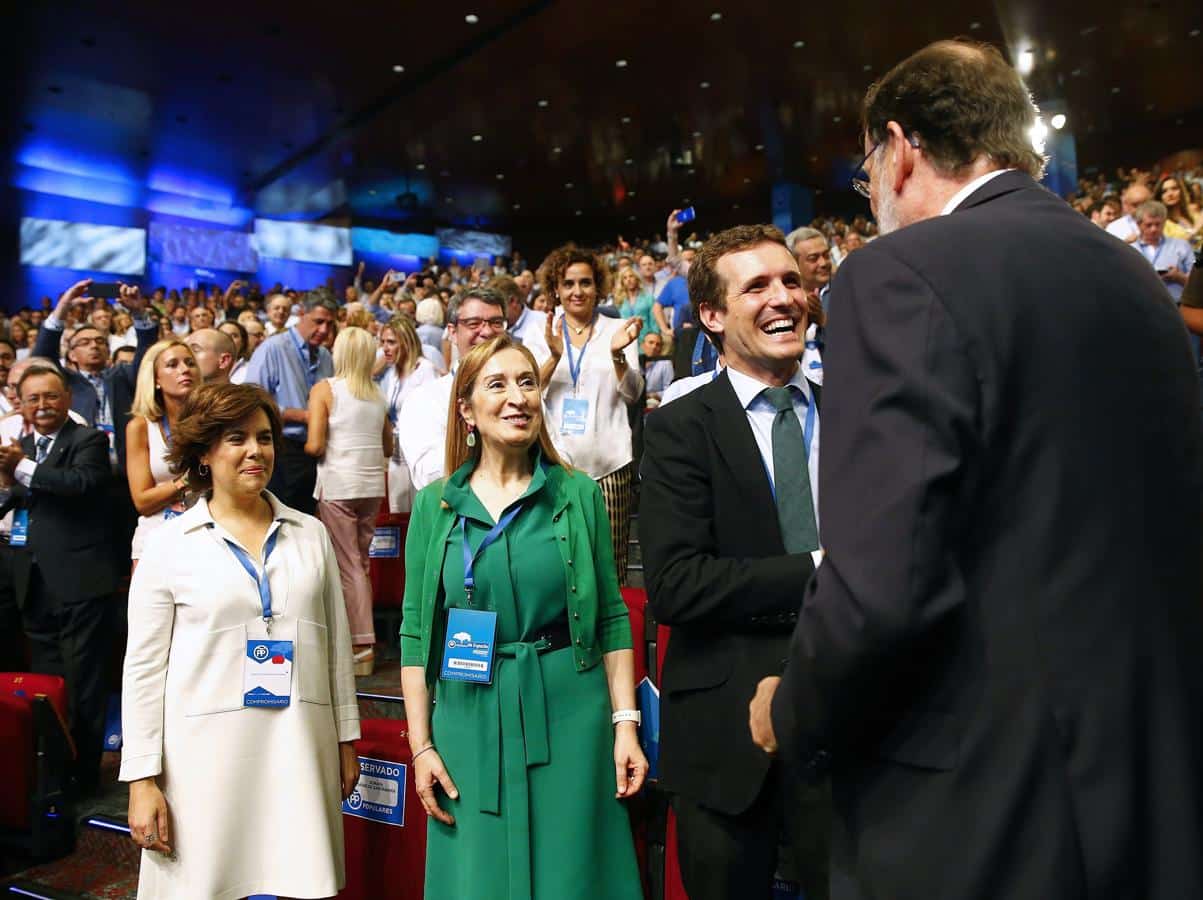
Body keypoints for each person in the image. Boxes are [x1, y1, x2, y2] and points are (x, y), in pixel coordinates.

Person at [751, 39, 1203, 899]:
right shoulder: (1137, 281)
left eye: (867, 173)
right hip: (1141, 776)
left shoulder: (897, 273)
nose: (873, 194)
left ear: (900, 146)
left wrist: (793, 709)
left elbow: (883, 578)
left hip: (979, 804)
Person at [400, 334, 645, 900]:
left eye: (528, 382)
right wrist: (421, 746)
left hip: (569, 713)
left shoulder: (578, 494)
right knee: (477, 879)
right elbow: (414, 636)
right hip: (467, 715)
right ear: (466, 410)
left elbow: (611, 618)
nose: (518, 397)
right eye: (498, 384)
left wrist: (624, 727)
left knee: (573, 876)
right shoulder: (433, 506)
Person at [641, 225, 828, 900]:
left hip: (849, 724)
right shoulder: (677, 429)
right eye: (757, 286)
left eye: (790, 281)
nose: (783, 297)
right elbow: (675, 585)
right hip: (723, 744)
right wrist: (820, 565)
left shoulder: (857, 412)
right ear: (713, 317)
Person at [120, 382, 361, 899]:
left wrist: (346, 739)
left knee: (297, 877)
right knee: (209, 884)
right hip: (203, 758)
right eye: (236, 439)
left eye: (265, 437)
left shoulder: (311, 533)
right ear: (204, 454)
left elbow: (338, 647)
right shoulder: (169, 546)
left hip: (298, 741)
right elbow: (141, 671)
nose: (256, 451)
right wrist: (142, 780)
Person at [0, 363, 119, 793]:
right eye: (33, 398)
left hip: (80, 581)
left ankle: (84, 775)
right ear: (23, 404)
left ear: (67, 398)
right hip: (31, 584)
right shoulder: (22, 446)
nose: (43, 405)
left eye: (50, 396)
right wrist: (5, 479)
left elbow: (81, 484)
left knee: (83, 683)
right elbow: (11, 501)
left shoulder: (88, 439)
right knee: (46, 686)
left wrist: (23, 467)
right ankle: (50, 771)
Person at [540, 245, 643, 584]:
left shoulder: (619, 328)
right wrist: (553, 357)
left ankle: (612, 638)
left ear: (598, 286)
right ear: (556, 288)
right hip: (557, 465)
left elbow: (633, 393)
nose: (577, 291)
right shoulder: (541, 335)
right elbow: (527, 392)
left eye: (585, 282)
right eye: (568, 283)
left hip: (610, 463)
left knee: (610, 566)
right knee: (559, 564)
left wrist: (617, 354)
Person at [305, 327, 392, 677]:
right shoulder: (376, 394)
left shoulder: (325, 389)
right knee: (361, 564)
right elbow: (388, 445)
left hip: (340, 484)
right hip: (372, 484)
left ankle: (360, 644)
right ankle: (361, 640)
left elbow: (314, 445)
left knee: (348, 566)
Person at [397, 288, 507, 491]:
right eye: (474, 324)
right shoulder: (425, 400)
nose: (487, 332)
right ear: (453, 332)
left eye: (496, 323)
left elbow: (558, 453)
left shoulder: (521, 394)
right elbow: (429, 476)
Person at [244, 291, 337, 514]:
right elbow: (252, 400)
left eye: (329, 324)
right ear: (301, 313)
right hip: (282, 449)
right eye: (318, 322)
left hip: (318, 453)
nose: (324, 330)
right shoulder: (273, 348)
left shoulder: (324, 355)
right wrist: (301, 415)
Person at [125, 340, 200, 566]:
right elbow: (142, 501)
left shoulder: (214, 420)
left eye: (190, 363)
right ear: (156, 380)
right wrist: (187, 481)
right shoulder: (140, 427)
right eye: (172, 365)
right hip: (157, 534)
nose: (184, 369)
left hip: (208, 530)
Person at [376, 315, 439, 514]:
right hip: (397, 453)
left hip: (419, 450)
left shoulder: (424, 369)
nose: (385, 348)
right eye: (383, 342)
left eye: (391, 342)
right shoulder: (392, 373)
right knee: (397, 511)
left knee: (421, 512)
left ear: (406, 343)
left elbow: (432, 412)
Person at [1132, 200, 1195, 301]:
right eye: (1149, 225)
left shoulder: (1181, 246)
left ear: (1164, 223)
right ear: (1139, 224)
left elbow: (1197, 285)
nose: (1154, 229)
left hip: (1176, 306)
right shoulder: (1131, 249)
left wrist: (1179, 277)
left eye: (1158, 224)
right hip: (1141, 304)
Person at [218, 319, 251, 383]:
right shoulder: (205, 368)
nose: (228, 338)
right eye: (223, 334)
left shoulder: (251, 369)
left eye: (234, 336)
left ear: (242, 342)